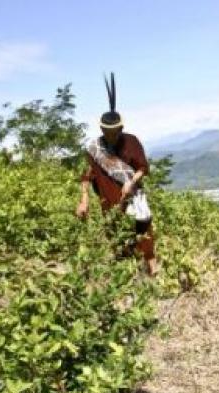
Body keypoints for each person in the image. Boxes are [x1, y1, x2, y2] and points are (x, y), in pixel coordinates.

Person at [76, 74, 158, 275]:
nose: (110, 135)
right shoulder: (95, 148)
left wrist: (131, 182)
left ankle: (152, 273)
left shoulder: (131, 141)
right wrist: (84, 199)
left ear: (121, 128)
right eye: (106, 131)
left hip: (132, 197)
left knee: (143, 234)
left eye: (114, 131)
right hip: (109, 202)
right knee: (118, 240)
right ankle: (125, 279)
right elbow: (87, 176)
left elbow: (142, 167)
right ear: (101, 128)